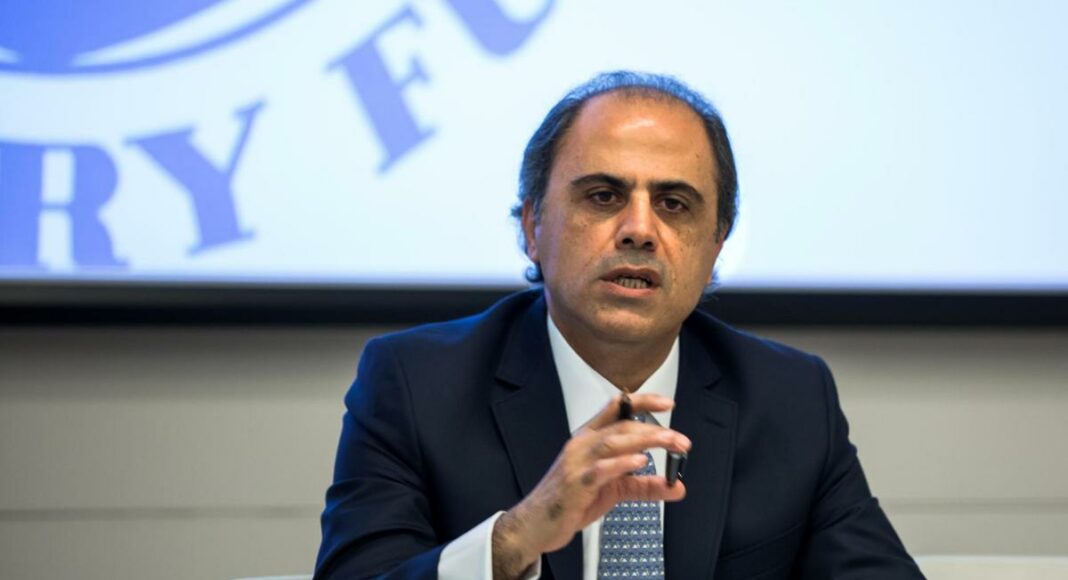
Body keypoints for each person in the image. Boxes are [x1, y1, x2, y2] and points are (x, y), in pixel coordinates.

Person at [315, 71, 925, 579]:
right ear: (532, 227)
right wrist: (516, 538)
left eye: (674, 204)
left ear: (716, 246)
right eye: (603, 196)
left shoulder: (790, 396)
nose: (639, 230)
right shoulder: (416, 384)